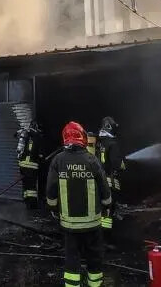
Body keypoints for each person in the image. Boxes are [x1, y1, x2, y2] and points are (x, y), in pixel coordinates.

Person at [46, 121, 112, 287]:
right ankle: (95, 285)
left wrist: (53, 208)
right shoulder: (92, 160)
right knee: (94, 257)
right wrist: (107, 205)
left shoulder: (58, 160)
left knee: (72, 258)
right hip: (92, 224)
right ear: (82, 138)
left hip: (70, 225)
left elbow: (51, 189)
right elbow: (104, 187)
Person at [96, 116, 126, 231]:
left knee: (100, 208)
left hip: (98, 182)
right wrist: (122, 164)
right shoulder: (112, 144)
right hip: (109, 182)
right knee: (108, 210)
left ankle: (98, 233)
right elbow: (117, 164)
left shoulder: (99, 143)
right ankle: (106, 235)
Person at [17, 121, 44, 209]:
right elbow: (40, 154)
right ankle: (32, 205)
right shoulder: (38, 137)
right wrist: (41, 159)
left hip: (22, 165)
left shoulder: (25, 134)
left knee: (25, 184)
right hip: (32, 166)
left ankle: (26, 202)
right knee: (31, 186)